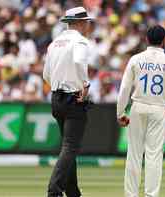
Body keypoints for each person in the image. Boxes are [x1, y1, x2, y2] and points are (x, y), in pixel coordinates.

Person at [116, 25, 165, 197]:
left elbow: (124, 88)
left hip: (138, 106)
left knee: (134, 154)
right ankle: (151, 195)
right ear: (164, 41)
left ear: (146, 39)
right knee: (153, 155)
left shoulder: (136, 59)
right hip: (159, 109)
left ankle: (131, 194)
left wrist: (120, 112)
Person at [42, 7, 94, 197]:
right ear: (80, 23)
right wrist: (85, 84)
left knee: (68, 147)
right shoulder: (80, 41)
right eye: (86, 22)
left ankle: (73, 192)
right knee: (70, 147)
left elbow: (46, 74)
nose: (88, 25)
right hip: (74, 97)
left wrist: (60, 84)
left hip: (56, 98)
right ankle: (54, 191)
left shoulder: (54, 43)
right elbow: (80, 62)